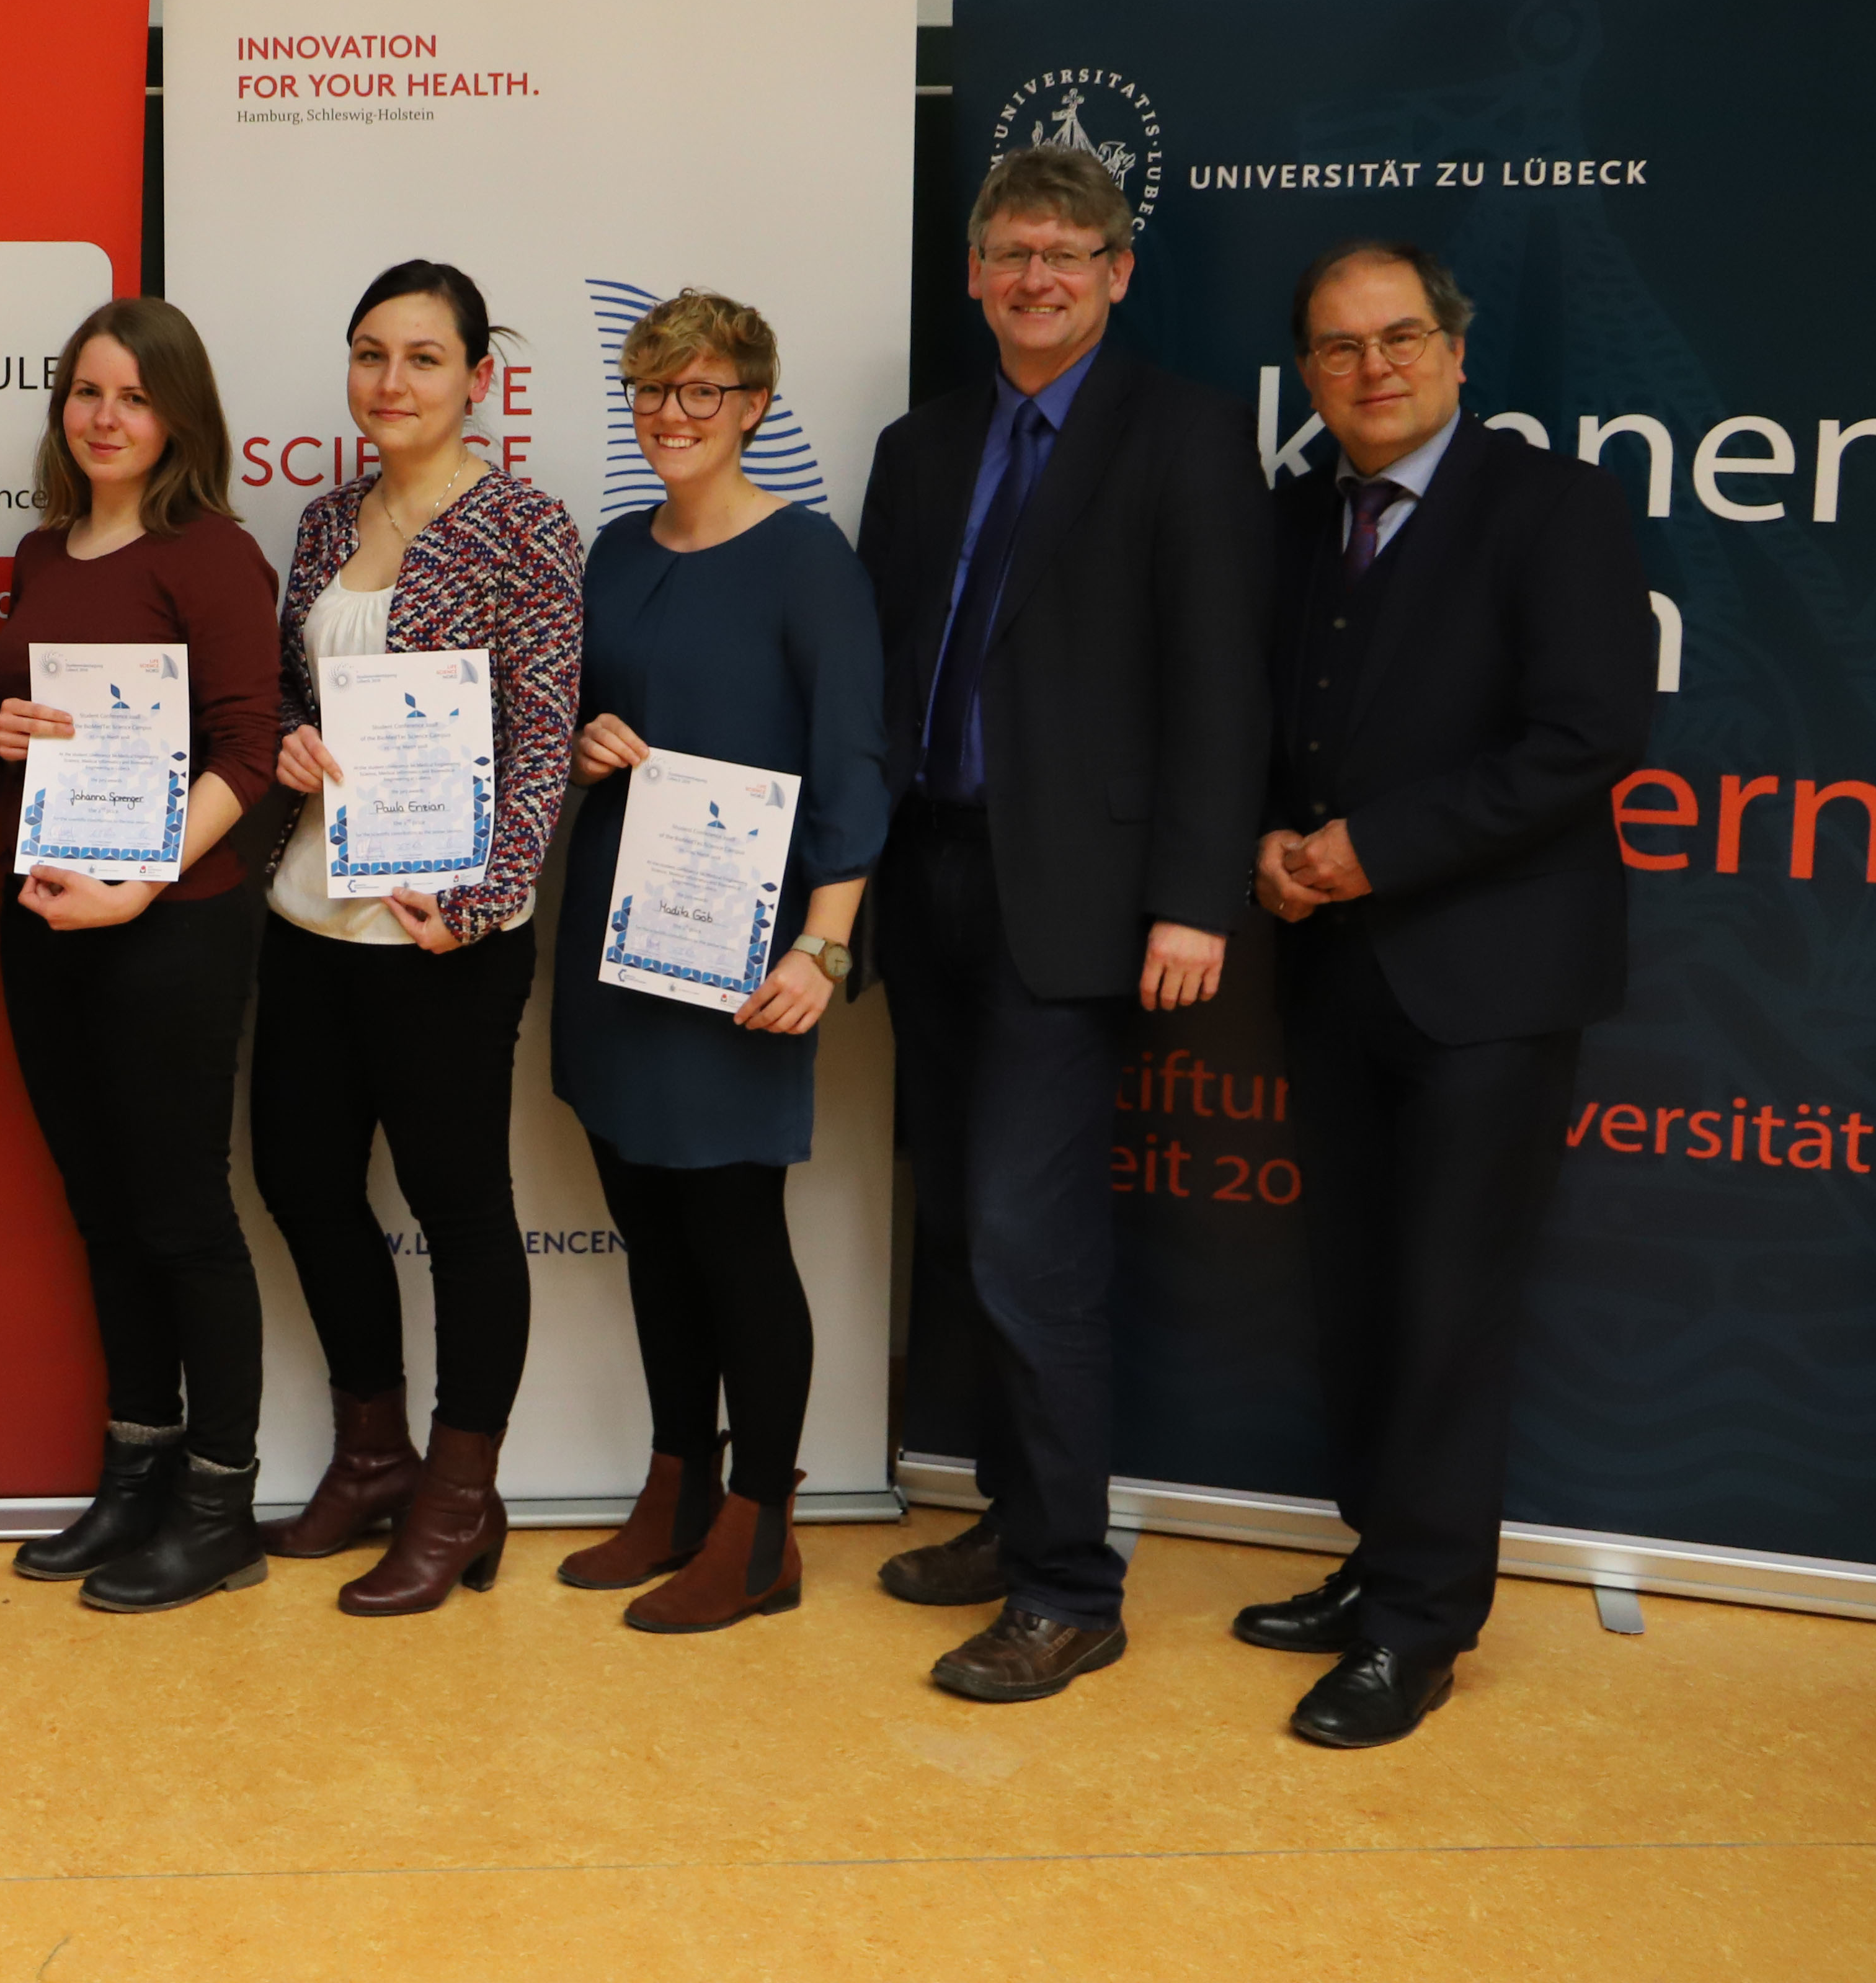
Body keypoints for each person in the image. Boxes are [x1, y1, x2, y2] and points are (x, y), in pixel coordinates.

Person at [856, 146, 1269, 1704]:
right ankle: (1013, 1515)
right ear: (973, 275)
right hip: (930, 880)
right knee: (965, 1228)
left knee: (1034, 1243)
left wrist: (1192, 899)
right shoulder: (919, 447)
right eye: (1013, 251)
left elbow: (1221, 684)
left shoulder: (1186, 436)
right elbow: (885, 671)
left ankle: (1070, 1589)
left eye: (1068, 251)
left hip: (1080, 904)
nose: (1037, 276)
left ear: (1118, 273)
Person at [1243, 240, 1652, 1747]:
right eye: (1341, 347)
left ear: (1457, 352)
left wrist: (1374, 850)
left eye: (1401, 337)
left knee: (1448, 1308)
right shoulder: (1294, 518)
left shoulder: (1555, 507)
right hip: (1332, 970)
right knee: (1357, 1292)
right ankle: (1380, 1561)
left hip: (1492, 980)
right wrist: (1264, 843)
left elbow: (1589, 736)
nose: (1375, 368)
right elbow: (1261, 720)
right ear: (1309, 373)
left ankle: (1420, 1627)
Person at [548, 290, 888, 1633]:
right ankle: (678, 1481)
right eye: (651, 389)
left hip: (745, 956)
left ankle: (762, 1531)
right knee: (649, 1225)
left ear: (754, 405)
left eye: (702, 391)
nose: (672, 415)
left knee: (736, 1238)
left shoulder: (809, 560)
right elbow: (578, 719)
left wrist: (825, 946)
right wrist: (586, 746)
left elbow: (856, 763)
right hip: (618, 937)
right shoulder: (614, 550)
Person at [251, 259, 585, 1618]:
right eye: (371, 354)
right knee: (299, 1178)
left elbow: (544, 734)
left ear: (477, 379)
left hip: (444, 930)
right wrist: (287, 740)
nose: (392, 382)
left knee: (460, 1209)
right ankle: (374, 1456)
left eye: (425, 358)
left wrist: (488, 899)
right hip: (309, 908)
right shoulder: (326, 518)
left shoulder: (525, 526)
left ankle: (458, 1496)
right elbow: (293, 689)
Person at [0, 298, 285, 1613]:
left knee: (181, 1215)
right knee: (104, 1210)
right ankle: (137, 1470)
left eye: (134, 396)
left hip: (173, 924)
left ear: (178, 417)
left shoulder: (212, 554)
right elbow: (29, 727)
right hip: (47, 918)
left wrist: (138, 886)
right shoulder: (41, 552)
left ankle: (220, 1504)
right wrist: (7, 732)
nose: (105, 418)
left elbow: (248, 753)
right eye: (86, 392)